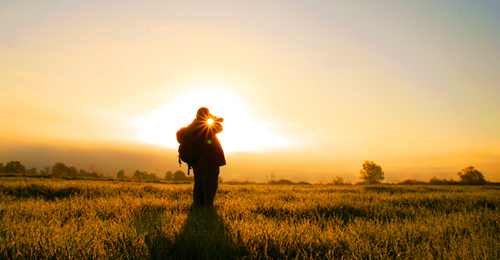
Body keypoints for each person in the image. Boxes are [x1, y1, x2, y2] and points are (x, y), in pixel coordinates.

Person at [183, 107, 226, 208]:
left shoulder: (192, 126)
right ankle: (207, 208)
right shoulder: (205, 126)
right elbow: (219, 128)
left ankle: (197, 207)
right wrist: (212, 119)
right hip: (208, 161)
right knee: (209, 185)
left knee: (199, 185)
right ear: (206, 115)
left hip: (196, 162)